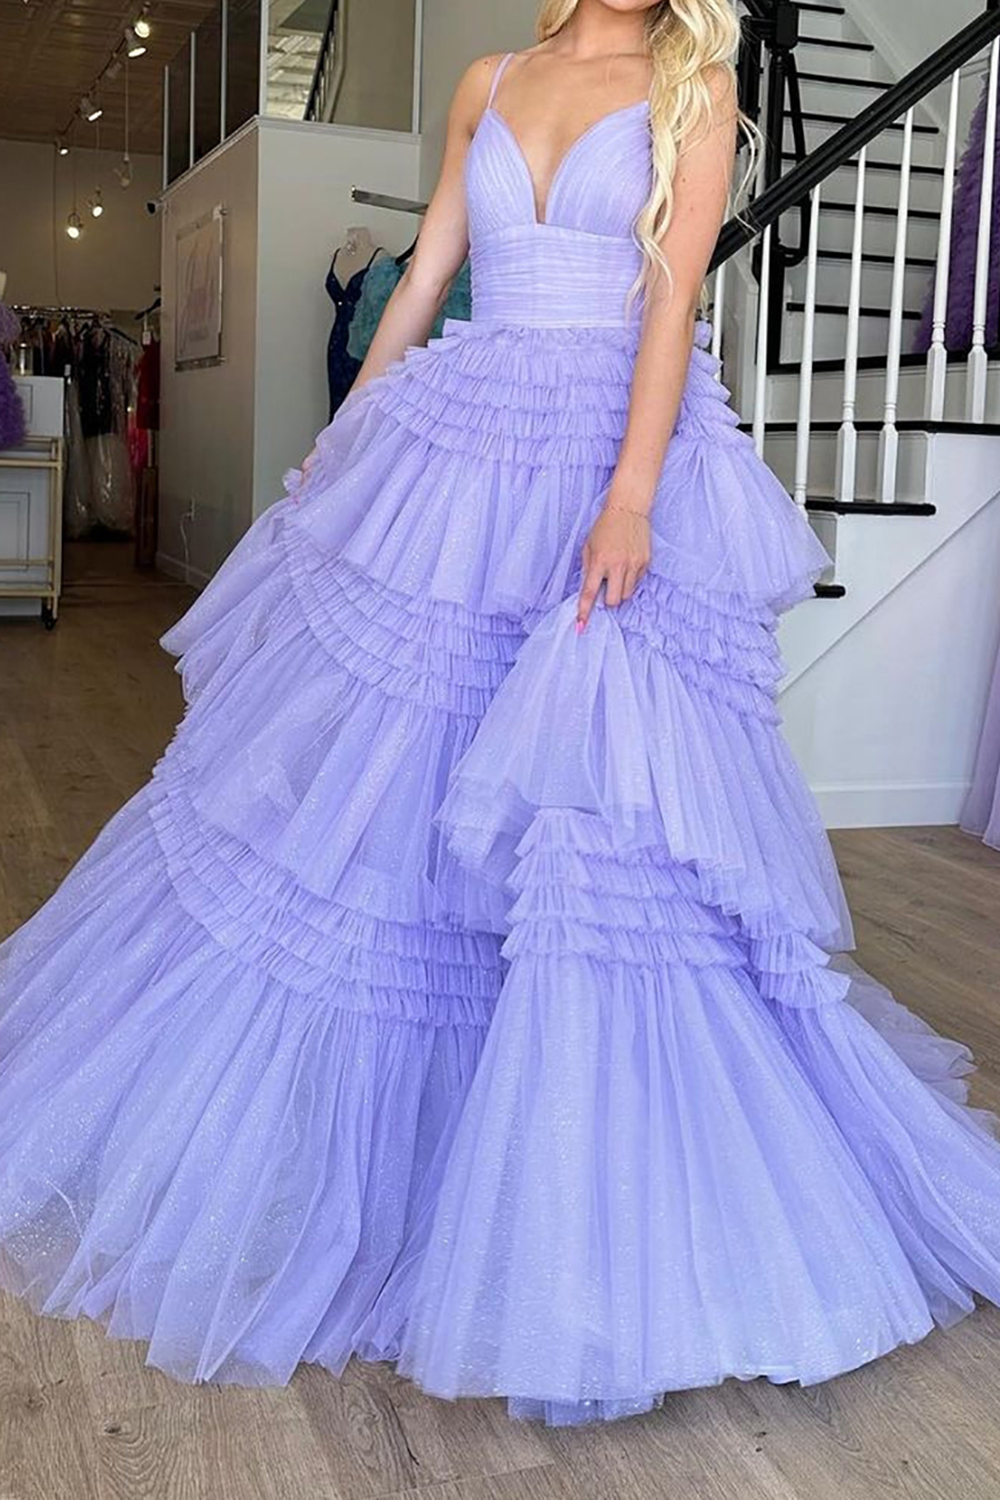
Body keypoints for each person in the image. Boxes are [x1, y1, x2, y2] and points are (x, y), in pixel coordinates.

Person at [2, 0, 1000, 1429]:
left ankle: (581, 1198)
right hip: (464, 444)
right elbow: (426, 277)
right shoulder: (486, 77)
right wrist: (342, 448)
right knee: (403, 786)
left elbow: (673, 302)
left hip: (601, 448)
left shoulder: (694, 84)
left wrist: (637, 495)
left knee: (587, 831)